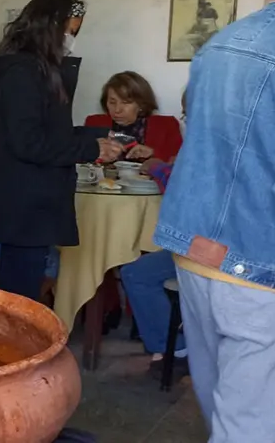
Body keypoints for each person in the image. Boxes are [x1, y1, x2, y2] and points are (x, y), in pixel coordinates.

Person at [153, 0, 275, 441]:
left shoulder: (221, 44)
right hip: (257, 255)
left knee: (221, 402)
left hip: (196, 247)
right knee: (250, 423)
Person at [0, 0, 123, 300]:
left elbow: (49, 131)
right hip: (24, 206)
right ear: (50, 27)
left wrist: (96, 136)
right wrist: (91, 150)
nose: (71, 40)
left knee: (22, 290)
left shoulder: (35, 71)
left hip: (31, 203)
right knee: (20, 296)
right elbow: (29, 143)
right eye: (70, 31)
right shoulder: (22, 75)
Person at [120, 92, 188, 376]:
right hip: (218, 244)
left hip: (214, 251)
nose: (186, 120)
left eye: (188, 114)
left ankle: (177, 349)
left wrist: (158, 166)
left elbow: (184, 187)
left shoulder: (213, 142)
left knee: (136, 273)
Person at [85, 71, 183, 162]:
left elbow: (179, 163)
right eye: (112, 102)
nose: (117, 110)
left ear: (141, 104)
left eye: (126, 102)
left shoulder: (167, 125)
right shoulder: (94, 123)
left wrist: (153, 154)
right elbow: (82, 160)